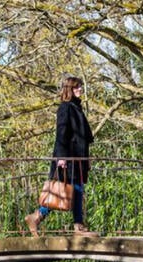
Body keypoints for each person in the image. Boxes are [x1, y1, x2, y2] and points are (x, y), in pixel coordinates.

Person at [25, 76, 96, 237]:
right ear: (69, 89)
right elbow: (61, 134)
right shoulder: (66, 107)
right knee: (71, 190)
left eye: (81, 87)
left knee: (75, 190)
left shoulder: (76, 108)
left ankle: (37, 217)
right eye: (77, 87)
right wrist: (61, 157)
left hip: (78, 160)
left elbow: (83, 139)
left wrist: (87, 160)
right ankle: (76, 226)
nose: (81, 90)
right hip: (68, 159)